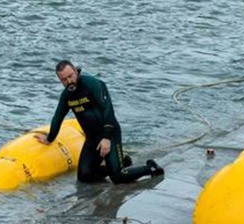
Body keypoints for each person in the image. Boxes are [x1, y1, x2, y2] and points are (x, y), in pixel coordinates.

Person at [35, 60, 163, 184]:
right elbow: (58, 117)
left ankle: (150, 168)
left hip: (110, 134)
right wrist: (50, 138)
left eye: (70, 76)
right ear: (60, 80)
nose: (69, 81)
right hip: (92, 139)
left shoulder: (93, 84)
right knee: (84, 176)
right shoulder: (67, 96)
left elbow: (108, 110)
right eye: (64, 79)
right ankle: (123, 162)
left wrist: (106, 138)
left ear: (75, 71)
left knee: (117, 177)